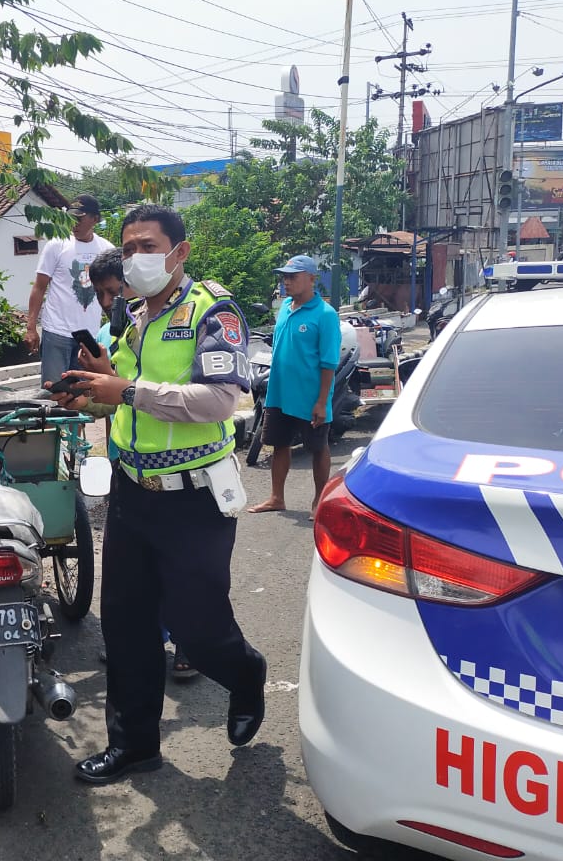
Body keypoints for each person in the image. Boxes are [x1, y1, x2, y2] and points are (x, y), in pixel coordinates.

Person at [52, 204, 266, 785]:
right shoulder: (131, 319)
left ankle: (246, 675)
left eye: (147, 244)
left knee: (196, 627)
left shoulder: (214, 312)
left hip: (194, 498)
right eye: (128, 247)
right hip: (132, 493)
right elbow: (124, 399)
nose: (135, 257)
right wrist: (91, 389)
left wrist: (127, 389)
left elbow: (223, 400)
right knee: (126, 624)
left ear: (179, 251)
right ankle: (135, 743)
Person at [82, 246, 198, 682]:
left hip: (179, 469)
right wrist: (84, 392)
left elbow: (199, 398)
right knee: (137, 574)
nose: (109, 302)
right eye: (101, 295)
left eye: (115, 291)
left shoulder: (185, 318)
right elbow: (105, 398)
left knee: (178, 567)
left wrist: (121, 388)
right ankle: (144, 640)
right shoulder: (111, 329)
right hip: (126, 462)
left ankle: (190, 641)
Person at [247, 255, 341, 518]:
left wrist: (322, 402)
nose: (286, 282)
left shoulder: (325, 314)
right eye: (285, 277)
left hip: (310, 396)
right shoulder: (285, 307)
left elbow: (328, 362)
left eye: (293, 276)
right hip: (279, 393)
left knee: (318, 447)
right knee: (279, 444)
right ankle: (277, 497)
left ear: (312, 278)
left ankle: (318, 501)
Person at [25, 194, 114, 386]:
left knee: (86, 394)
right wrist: (31, 327)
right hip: (57, 331)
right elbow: (39, 287)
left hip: (90, 335)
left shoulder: (106, 249)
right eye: (72, 218)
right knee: (55, 391)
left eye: (80, 218)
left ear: (95, 219)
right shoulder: (57, 244)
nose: (74, 224)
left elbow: (115, 292)